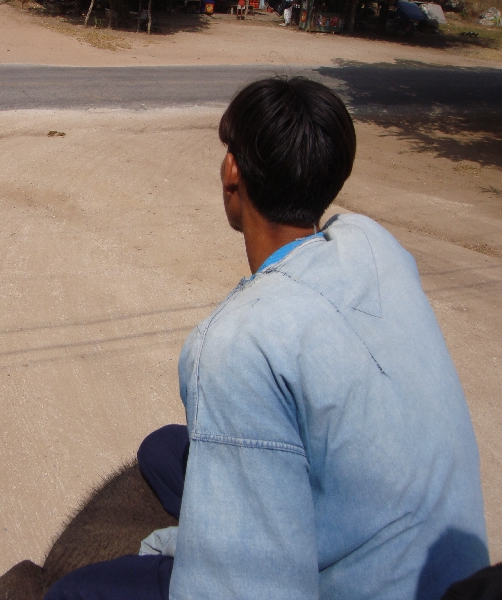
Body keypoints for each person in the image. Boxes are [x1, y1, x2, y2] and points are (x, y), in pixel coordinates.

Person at [44, 77, 489, 600]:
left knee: (72, 591)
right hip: (452, 566)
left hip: (358, 584)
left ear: (232, 173)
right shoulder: (373, 243)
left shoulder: (234, 344)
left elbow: (244, 588)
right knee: (163, 447)